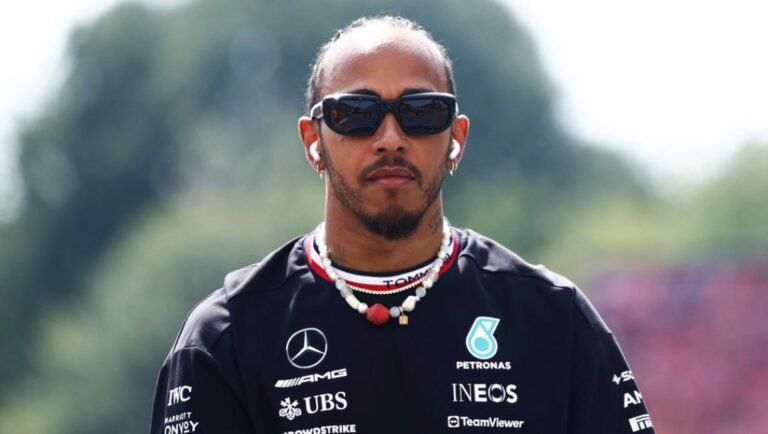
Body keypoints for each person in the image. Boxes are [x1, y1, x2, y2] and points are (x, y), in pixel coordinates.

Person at [150, 15, 655, 434]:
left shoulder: (553, 319)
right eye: (356, 114)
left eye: (422, 112)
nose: (390, 137)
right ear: (313, 141)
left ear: (456, 138)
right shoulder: (227, 337)